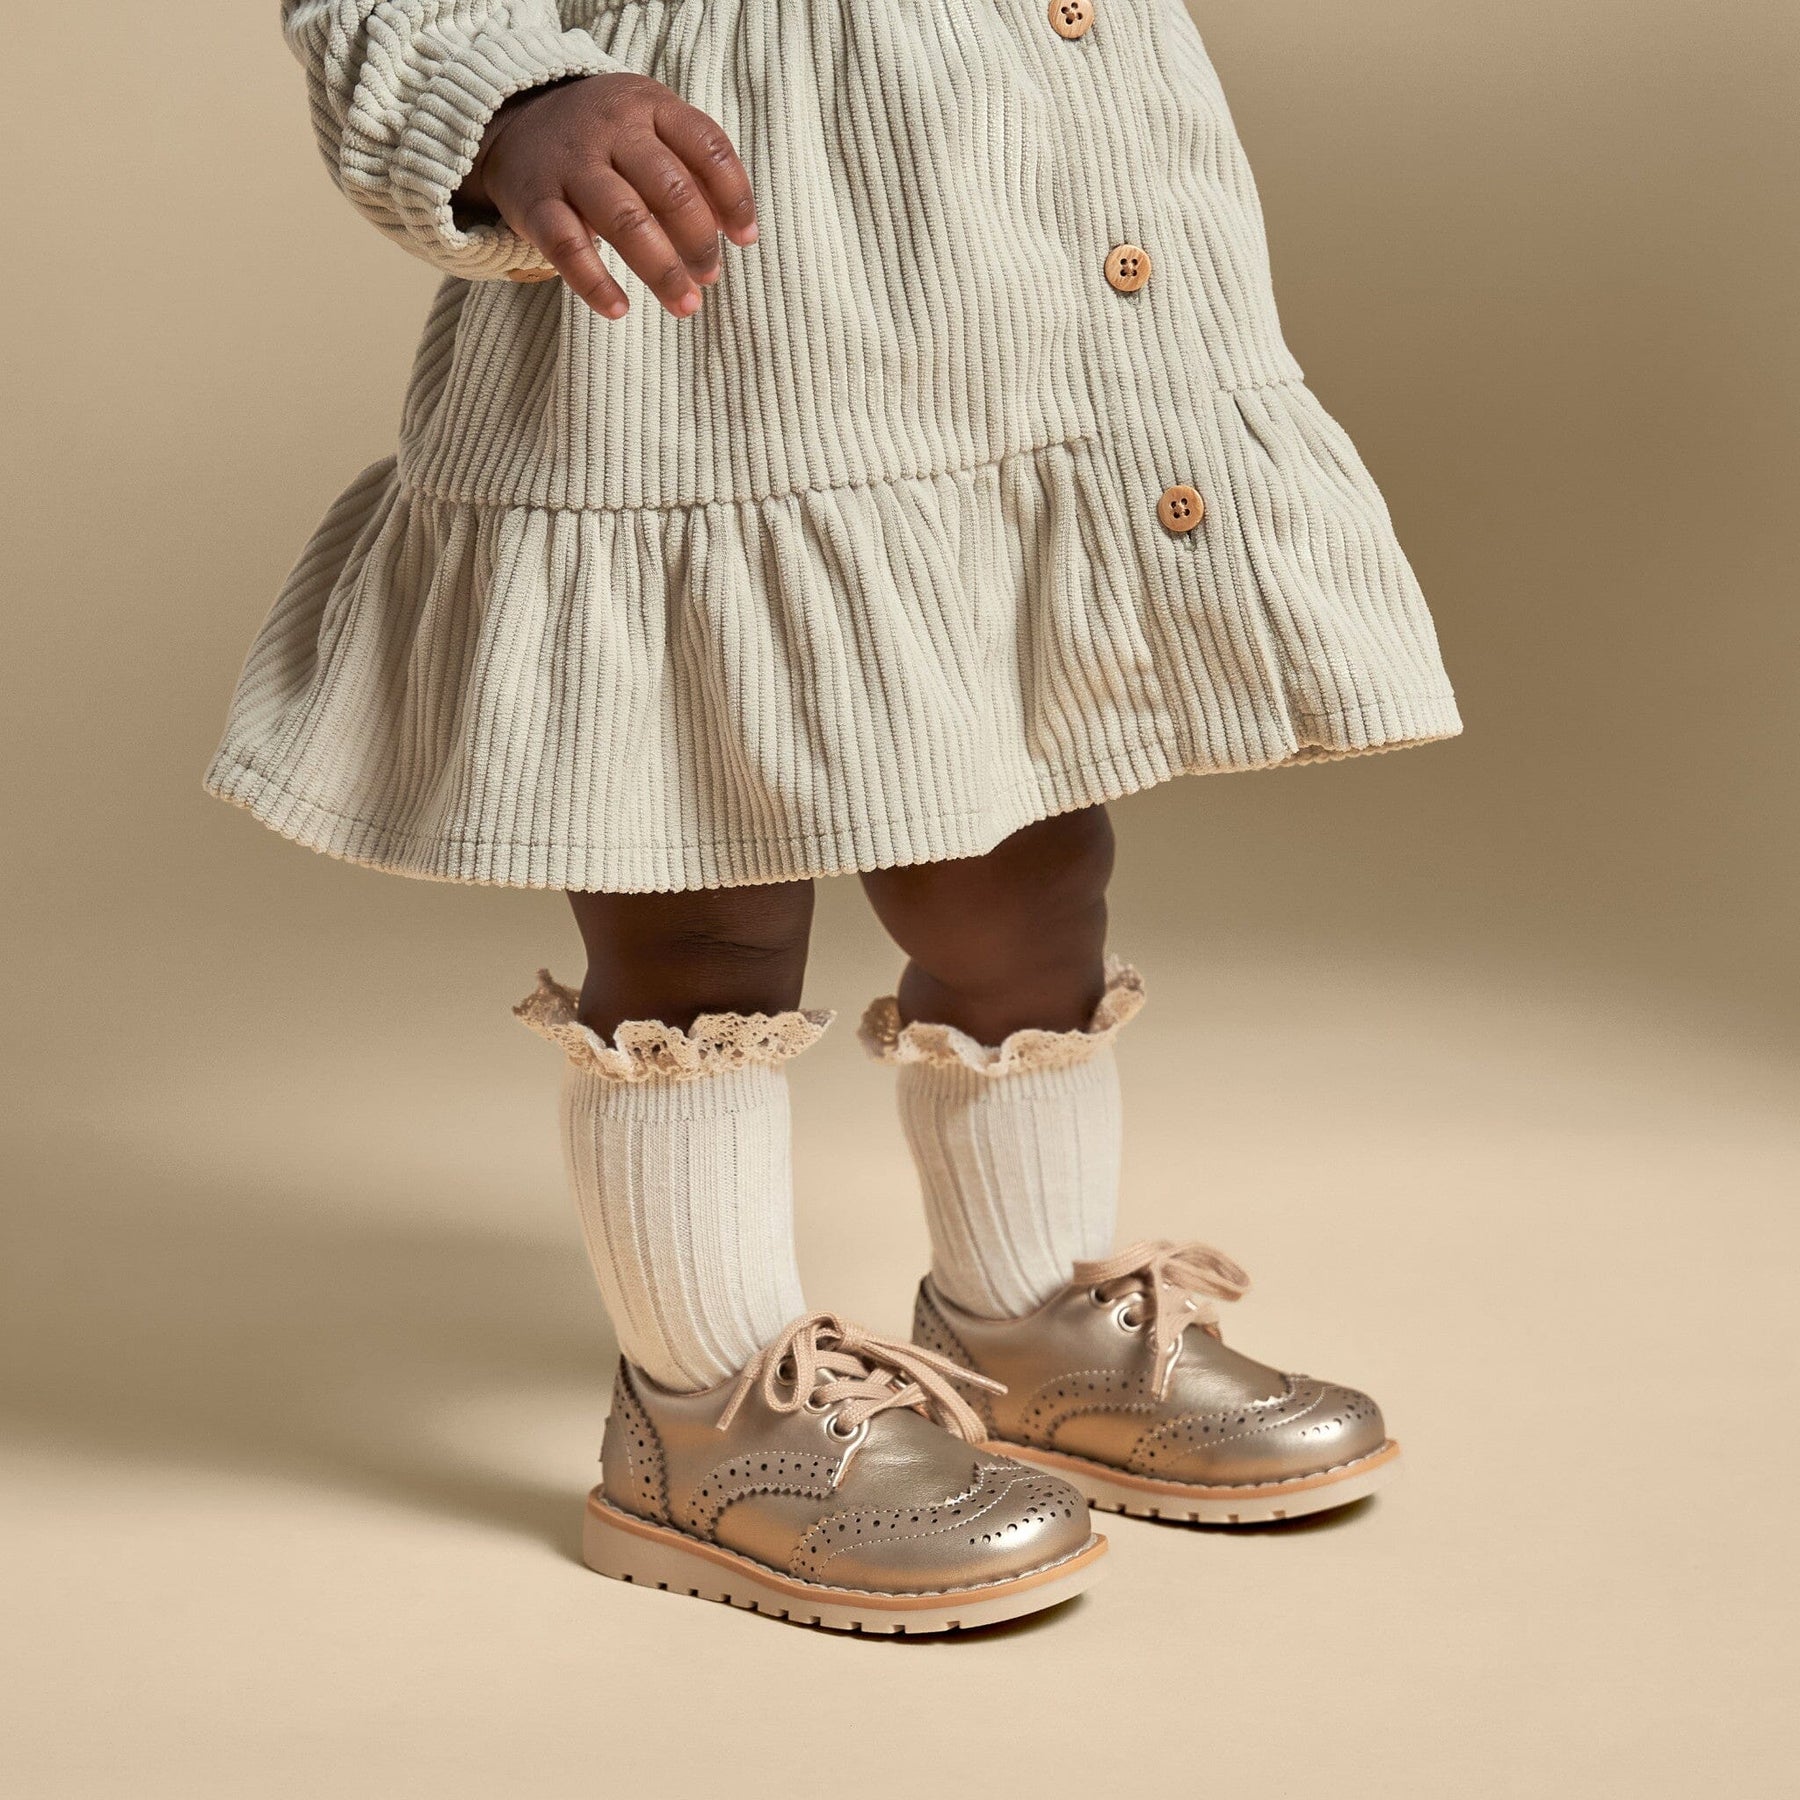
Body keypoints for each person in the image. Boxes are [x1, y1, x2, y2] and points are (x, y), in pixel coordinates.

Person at [207, 0, 1460, 1634]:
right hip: (701, 339)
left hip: (998, 296)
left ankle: (1027, 1318)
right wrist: (505, 99)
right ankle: (705, 1412)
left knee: (1026, 856)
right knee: (698, 900)